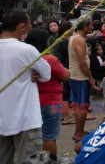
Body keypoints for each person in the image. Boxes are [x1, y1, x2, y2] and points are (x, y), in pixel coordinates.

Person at [0, 10, 51, 164]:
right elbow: (46, 74)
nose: (30, 29)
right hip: (26, 118)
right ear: (21, 26)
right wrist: (36, 73)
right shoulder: (26, 50)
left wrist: (34, 73)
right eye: (29, 26)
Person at [24, 28, 70, 157]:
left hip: (30, 103)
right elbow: (65, 76)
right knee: (49, 137)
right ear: (45, 42)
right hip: (51, 103)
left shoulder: (23, 59)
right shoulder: (49, 59)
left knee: (29, 139)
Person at [68, 17, 95, 143]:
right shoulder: (79, 40)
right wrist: (90, 78)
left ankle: (78, 132)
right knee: (83, 106)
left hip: (75, 76)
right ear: (85, 27)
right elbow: (82, 63)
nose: (92, 27)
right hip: (80, 77)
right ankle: (79, 134)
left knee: (79, 106)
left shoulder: (74, 37)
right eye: (91, 25)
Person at [54, 21, 76, 125]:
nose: (73, 30)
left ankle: (64, 116)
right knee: (66, 94)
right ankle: (66, 117)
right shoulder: (64, 42)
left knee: (65, 93)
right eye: (71, 28)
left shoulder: (61, 41)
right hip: (65, 69)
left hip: (64, 68)